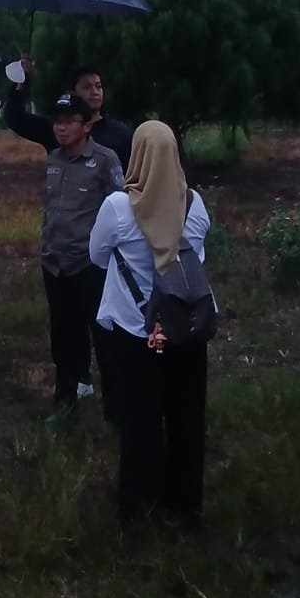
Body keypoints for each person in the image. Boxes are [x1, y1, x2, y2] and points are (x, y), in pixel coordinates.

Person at [89, 121, 212, 522]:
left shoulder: (118, 207)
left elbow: (96, 255)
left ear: (137, 155)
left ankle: (138, 503)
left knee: (139, 417)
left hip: (136, 330)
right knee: (186, 416)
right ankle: (185, 502)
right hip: (185, 328)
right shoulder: (194, 203)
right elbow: (199, 258)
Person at [40, 93, 124, 418]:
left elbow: (120, 209)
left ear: (86, 126)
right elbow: (50, 209)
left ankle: (114, 409)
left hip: (90, 265)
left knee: (104, 338)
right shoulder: (53, 160)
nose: (61, 128)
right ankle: (65, 402)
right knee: (63, 338)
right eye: (57, 122)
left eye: (69, 122)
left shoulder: (104, 160)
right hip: (55, 263)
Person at [6, 58, 133, 167]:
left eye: (98, 86)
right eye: (87, 87)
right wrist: (22, 80)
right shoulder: (57, 129)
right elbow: (14, 118)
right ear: (73, 93)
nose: (95, 92)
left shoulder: (121, 134)